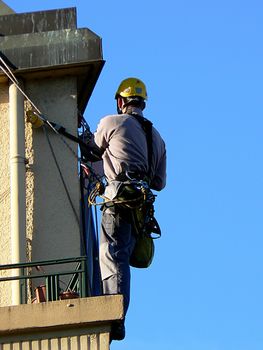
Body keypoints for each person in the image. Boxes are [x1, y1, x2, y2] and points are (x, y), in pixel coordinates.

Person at [89, 77, 166, 340]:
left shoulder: (111, 122)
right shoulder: (157, 138)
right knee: (122, 257)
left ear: (121, 101)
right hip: (140, 208)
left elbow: (90, 151)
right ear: (142, 103)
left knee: (111, 254)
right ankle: (118, 314)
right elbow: (159, 182)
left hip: (119, 200)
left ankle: (114, 315)